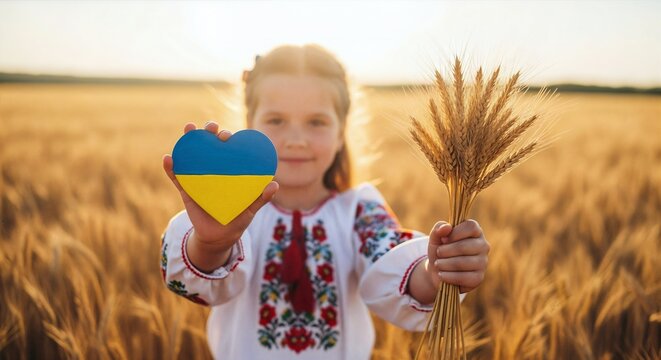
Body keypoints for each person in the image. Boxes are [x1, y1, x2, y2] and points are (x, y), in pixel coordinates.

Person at [160, 44, 490, 359]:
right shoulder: (232, 211)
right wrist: (210, 243)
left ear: (341, 131)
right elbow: (202, 286)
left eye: (316, 122)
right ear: (251, 124)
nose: (296, 140)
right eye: (276, 121)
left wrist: (435, 272)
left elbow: (389, 259)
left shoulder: (359, 210)